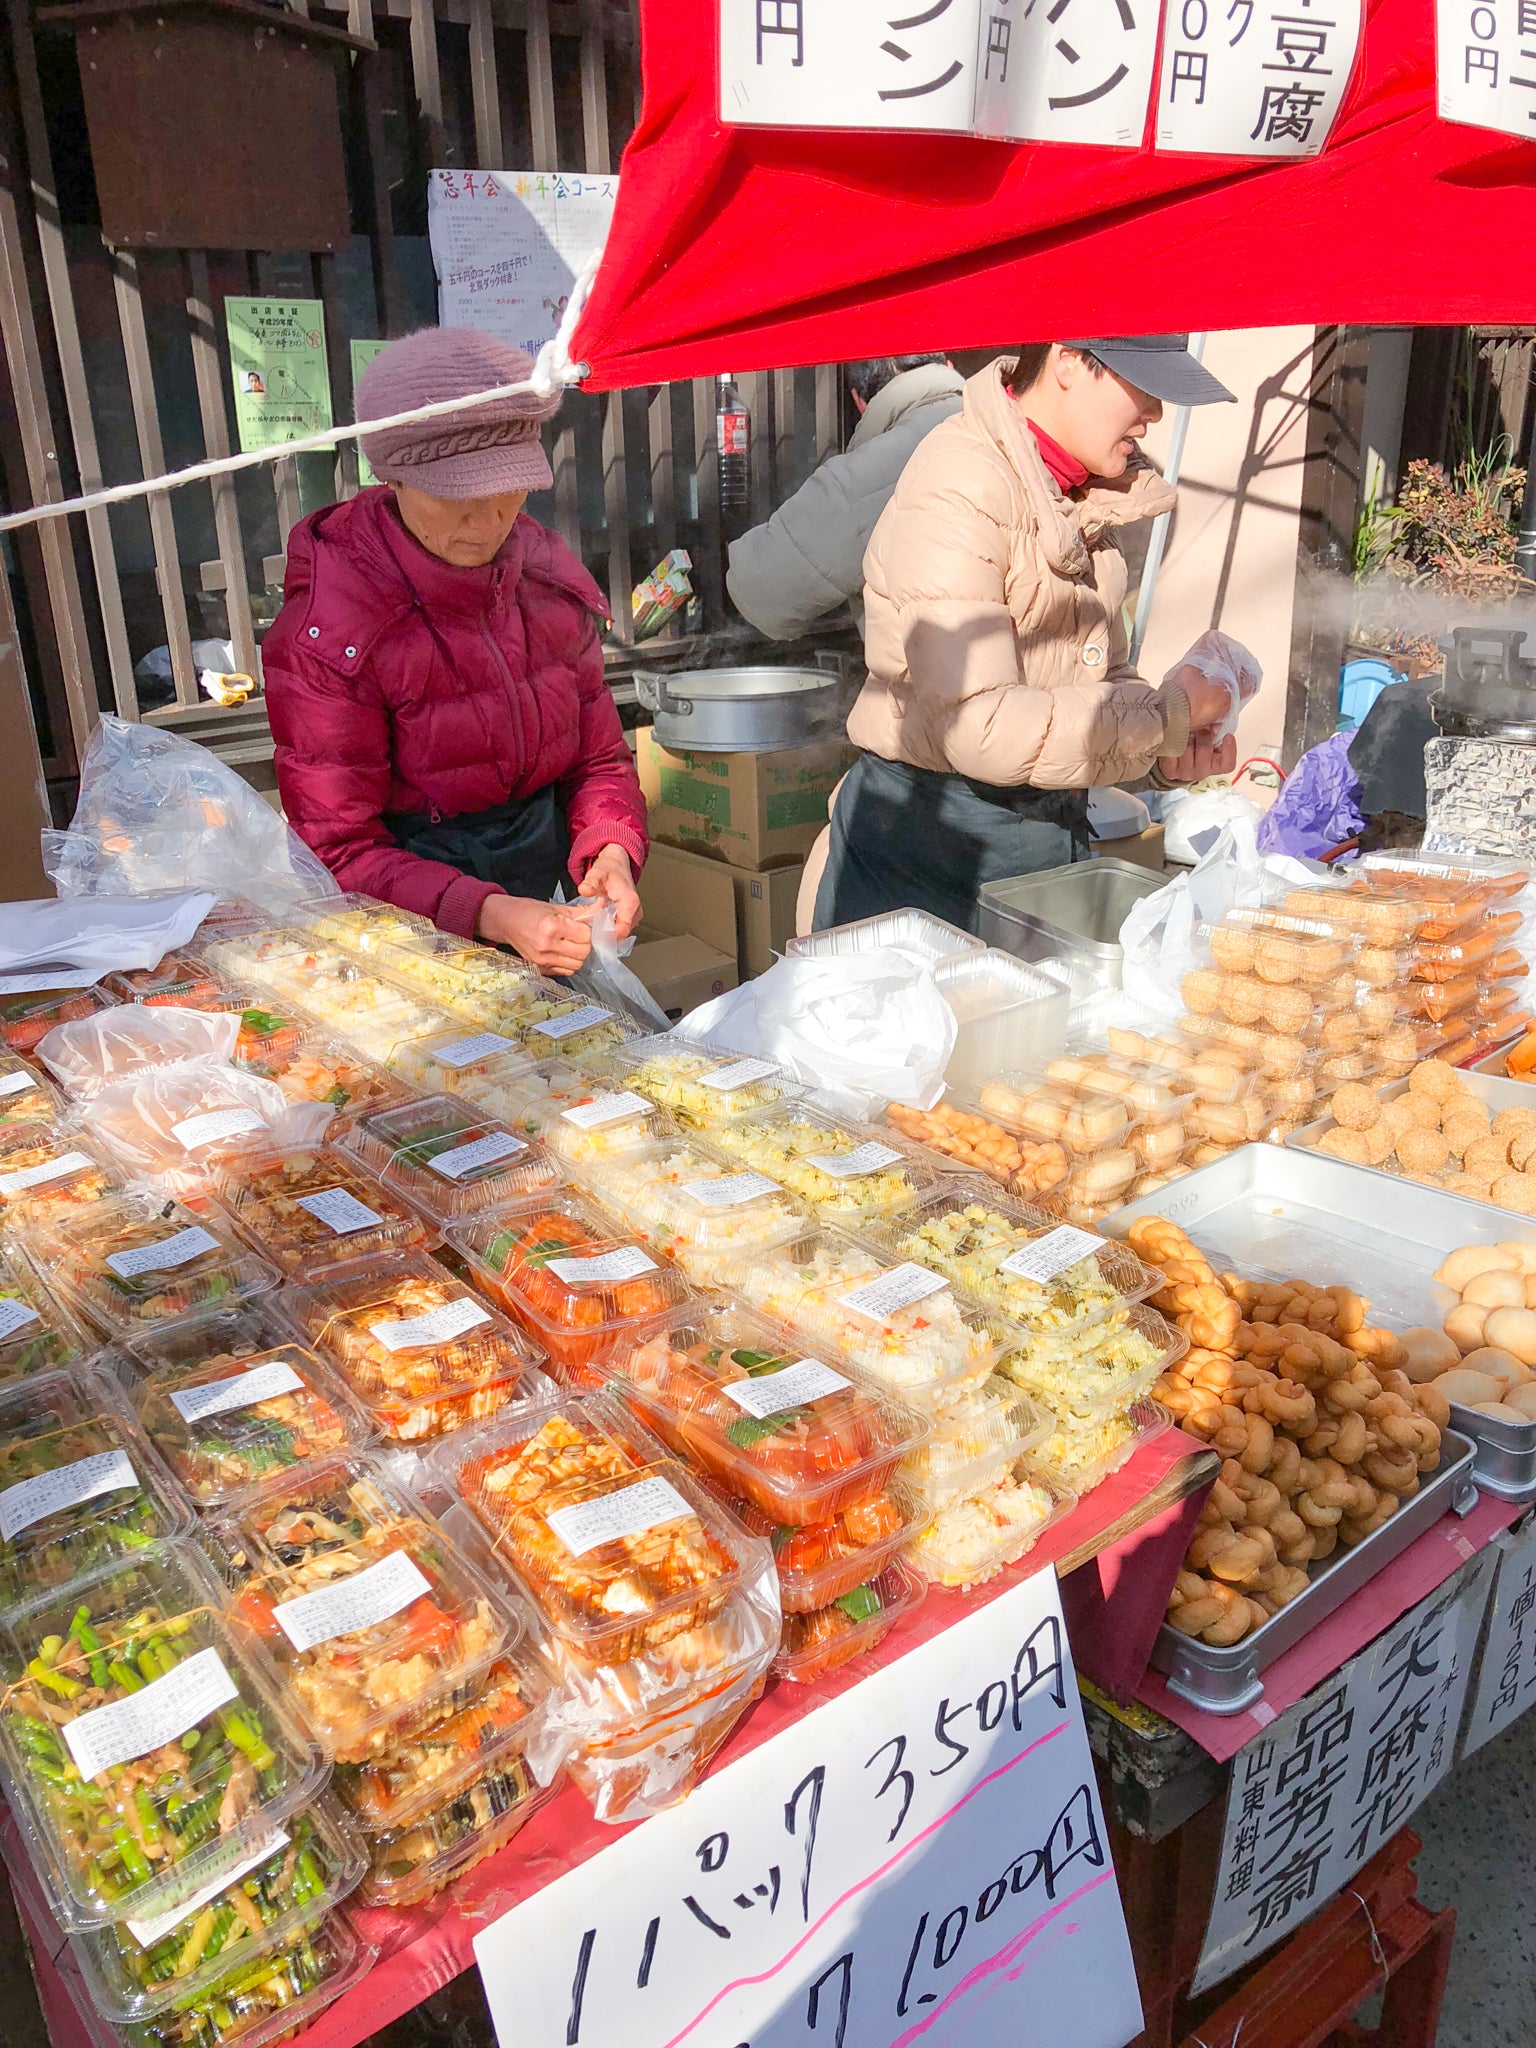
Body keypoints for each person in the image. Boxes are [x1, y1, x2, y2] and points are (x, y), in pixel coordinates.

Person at [810, 337, 1245, 934]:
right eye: (1142, 387)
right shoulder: (960, 485)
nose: (1154, 415)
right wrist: (1164, 716)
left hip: (1042, 836)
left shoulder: (1082, 491)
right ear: (1067, 361)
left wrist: (1168, 751)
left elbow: (1095, 682)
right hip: (930, 853)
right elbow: (979, 725)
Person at [264, 326, 646, 978]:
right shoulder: (335, 629)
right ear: (395, 478)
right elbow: (339, 849)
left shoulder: (547, 585)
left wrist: (608, 847)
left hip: (542, 893)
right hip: (403, 935)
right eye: (456, 495)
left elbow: (598, 760)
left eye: (509, 488)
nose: (489, 520)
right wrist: (492, 914)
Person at [726, 355, 963, 640]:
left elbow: (762, 590)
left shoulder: (883, 466)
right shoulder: (1005, 421)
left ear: (860, 402)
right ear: (948, 366)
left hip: (939, 678)